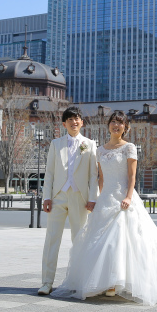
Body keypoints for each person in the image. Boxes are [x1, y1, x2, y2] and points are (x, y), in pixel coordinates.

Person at [52, 110, 157, 305]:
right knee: (100, 242)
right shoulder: (100, 150)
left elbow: (131, 177)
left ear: (125, 128)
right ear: (108, 126)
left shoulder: (129, 148)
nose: (116, 126)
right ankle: (105, 282)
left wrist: (129, 197)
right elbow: (100, 178)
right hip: (106, 198)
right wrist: (99, 198)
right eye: (113, 122)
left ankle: (118, 282)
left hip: (123, 198)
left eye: (120, 123)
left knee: (123, 240)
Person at [38, 106, 99, 296]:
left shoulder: (89, 144)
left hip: (80, 198)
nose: (74, 122)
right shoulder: (56, 144)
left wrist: (92, 199)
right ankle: (46, 283)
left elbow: (93, 176)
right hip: (57, 197)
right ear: (64, 123)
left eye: (77, 119)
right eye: (70, 119)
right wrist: (47, 197)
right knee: (51, 240)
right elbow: (48, 173)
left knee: (79, 241)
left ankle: (79, 281)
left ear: (82, 122)